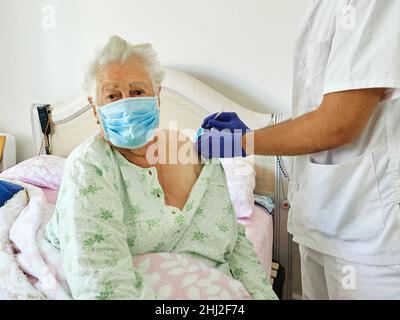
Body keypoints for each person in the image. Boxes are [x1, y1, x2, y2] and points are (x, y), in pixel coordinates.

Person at [45, 35, 277, 300]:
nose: (126, 104)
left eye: (137, 92)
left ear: (157, 96)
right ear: (95, 109)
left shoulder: (200, 157)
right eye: (112, 95)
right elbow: (102, 283)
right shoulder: (89, 167)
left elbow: (234, 243)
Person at [197, 0, 400, 299]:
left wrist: (243, 142)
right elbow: (318, 112)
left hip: (366, 229)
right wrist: (252, 134)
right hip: (321, 221)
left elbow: (338, 123)